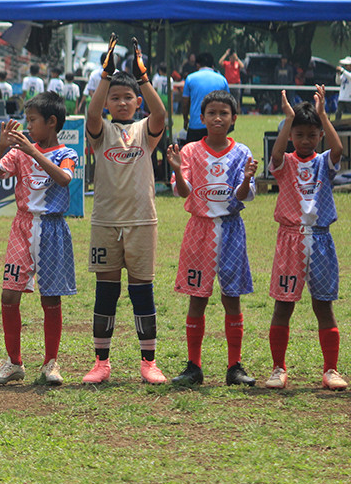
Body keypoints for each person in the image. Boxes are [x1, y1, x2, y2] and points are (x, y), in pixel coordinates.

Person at [83, 35, 168, 385]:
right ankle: (101, 361)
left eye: (127, 97)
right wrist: (105, 76)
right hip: (105, 221)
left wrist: (142, 79)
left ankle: (148, 361)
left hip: (141, 221)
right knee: (107, 290)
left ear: (137, 103)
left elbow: (160, 112)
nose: (121, 102)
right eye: (115, 98)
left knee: (141, 289)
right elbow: (91, 112)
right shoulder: (100, 132)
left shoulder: (143, 132)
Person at [0, 92, 78, 386]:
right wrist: (1, 148)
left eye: (33, 120)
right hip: (22, 229)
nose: (28, 126)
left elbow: (64, 179)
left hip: (52, 230)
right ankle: (14, 362)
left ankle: (51, 363)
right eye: (27, 120)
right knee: (8, 295)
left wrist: (34, 152)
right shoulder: (18, 153)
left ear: (51, 122)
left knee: (50, 297)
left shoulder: (67, 153)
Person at [166, 90, 258, 387]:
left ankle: (235, 367)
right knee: (198, 297)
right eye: (211, 113)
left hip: (231, 229)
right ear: (201, 118)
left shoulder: (242, 153)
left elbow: (244, 195)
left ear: (234, 118)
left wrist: (245, 179)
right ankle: (194, 366)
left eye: (224, 113)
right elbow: (183, 191)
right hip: (199, 230)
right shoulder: (190, 151)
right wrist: (179, 173)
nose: (217, 117)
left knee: (232, 297)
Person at [265, 87, 347, 391]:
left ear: (319, 136)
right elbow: (274, 155)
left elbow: (338, 151)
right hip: (290, 241)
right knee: (283, 306)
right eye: (299, 134)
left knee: (323, 306)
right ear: (291, 136)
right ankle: (278, 368)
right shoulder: (284, 162)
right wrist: (288, 118)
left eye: (312, 135)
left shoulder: (324, 162)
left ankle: (331, 370)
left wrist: (324, 115)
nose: (305, 140)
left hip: (321, 241)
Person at [181, 52, 229, 144]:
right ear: (212, 65)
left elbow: (185, 103)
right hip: (216, 125)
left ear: (198, 65)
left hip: (195, 125)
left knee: (193, 156)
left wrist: (185, 119)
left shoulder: (190, 78)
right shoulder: (222, 79)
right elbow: (228, 104)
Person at [219, 48, 244, 113]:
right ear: (229, 58)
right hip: (229, 84)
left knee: (237, 99)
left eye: (233, 57)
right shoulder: (227, 64)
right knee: (227, 98)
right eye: (231, 57)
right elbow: (220, 62)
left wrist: (237, 58)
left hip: (236, 84)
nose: (232, 59)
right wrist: (226, 54)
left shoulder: (237, 63)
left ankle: (238, 111)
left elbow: (242, 66)